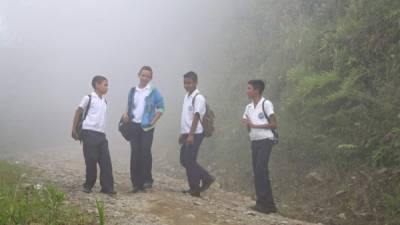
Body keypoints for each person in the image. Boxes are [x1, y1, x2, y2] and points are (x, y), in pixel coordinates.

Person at [122, 66, 165, 193]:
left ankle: (147, 180)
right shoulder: (132, 91)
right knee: (135, 152)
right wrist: (125, 114)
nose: (145, 78)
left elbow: (161, 108)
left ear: (151, 78)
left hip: (147, 127)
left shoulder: (153, 91)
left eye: (148, 76)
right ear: (139, 75)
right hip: (134, 125)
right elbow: (129, 105)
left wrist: (153, 120)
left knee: (145, 151)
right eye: (143, 75)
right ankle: (136, 183)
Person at [71, 75, 116, 195]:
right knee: (91, 160)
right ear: (97, 85)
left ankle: (107, 187)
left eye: (107, 85)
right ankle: (88, 185)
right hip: (89, 132)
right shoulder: (88, 98)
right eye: (105, 84)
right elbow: (78, 111)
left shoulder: (104, 101)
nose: (107, 87)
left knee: (106, 161)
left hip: (101, 134)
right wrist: (74, 129)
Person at [241, 80, 278, 214]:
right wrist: (248, 124)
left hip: (266, 140)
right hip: (255, 141)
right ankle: (265, 203)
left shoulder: (266, 104)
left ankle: (265, 204)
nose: (247, 91)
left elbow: (274, 124)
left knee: (261, 169)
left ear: (256, 91)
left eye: (249, 88)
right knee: (258, 171)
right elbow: (247, 125)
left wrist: (255, 125)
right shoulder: (248, 107)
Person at [179, 71, 215, 197]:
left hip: (195, 133)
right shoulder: (187, 96)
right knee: (184, 160)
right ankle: (205, 178)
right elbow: (186, 117)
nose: (186, 85)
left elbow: (196, 117)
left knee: (189, 160)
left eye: (189, 83)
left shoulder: (198, 97)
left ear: (195, 82)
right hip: (187, 132)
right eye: (185, 83)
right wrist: (183, 133)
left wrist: (191, 135)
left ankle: (195, 187)